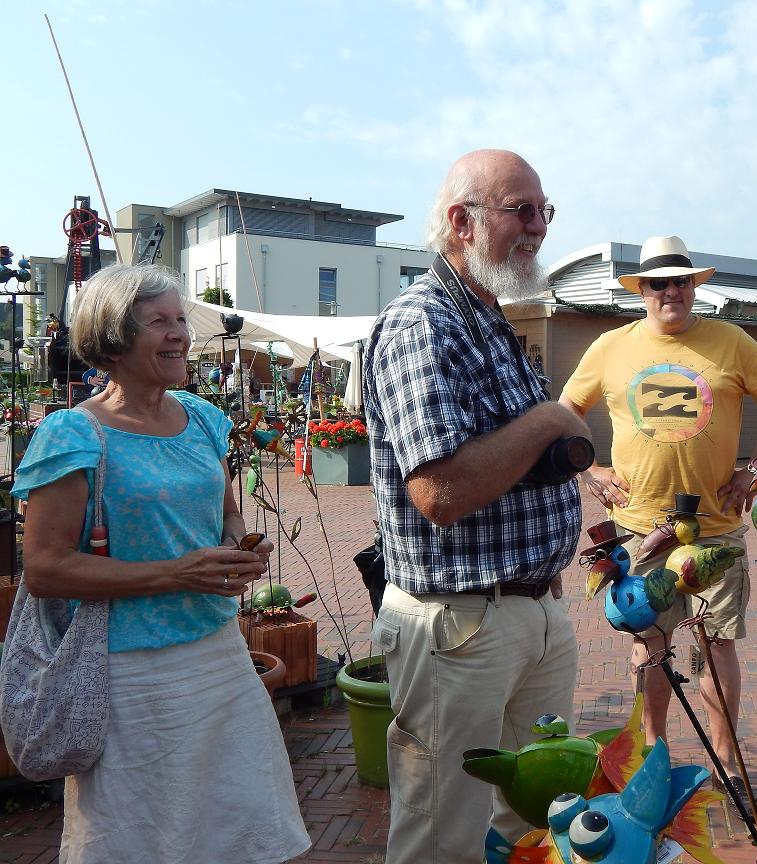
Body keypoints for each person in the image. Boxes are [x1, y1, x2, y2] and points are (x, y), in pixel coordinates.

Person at [13, 264, 310, 863]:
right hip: (129, 674)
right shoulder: (74, 433)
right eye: (159, 322)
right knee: (139, 836)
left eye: (180, 320)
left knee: (238, 820)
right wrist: (177, 573)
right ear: (113, 339)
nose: (179, 333)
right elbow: (44, 569)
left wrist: (236, 549)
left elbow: (226, 511)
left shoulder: (201, 419)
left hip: (219, 657)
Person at [363, 149, 589, 864]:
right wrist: (551, 421)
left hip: (524, 610)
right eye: (521, 210)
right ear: (461, 221)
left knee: (533, 818)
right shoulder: (422, 324)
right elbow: (441, 493)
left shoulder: (489, 317)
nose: (538, 228)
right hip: (459, 626)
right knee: (442, 837)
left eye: (543, 211)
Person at [560, 234, 757, 794]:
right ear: (640, 290)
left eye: (681, 281)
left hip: (716, 528)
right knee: (651, 644)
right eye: (658, 283)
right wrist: (589, 470)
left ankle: (726, 759)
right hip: (642, 528)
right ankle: (652, 749)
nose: (671, 291)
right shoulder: (610, 346)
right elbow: (566, 409)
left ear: (694, 286)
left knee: (718, 644)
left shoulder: (731, 341)